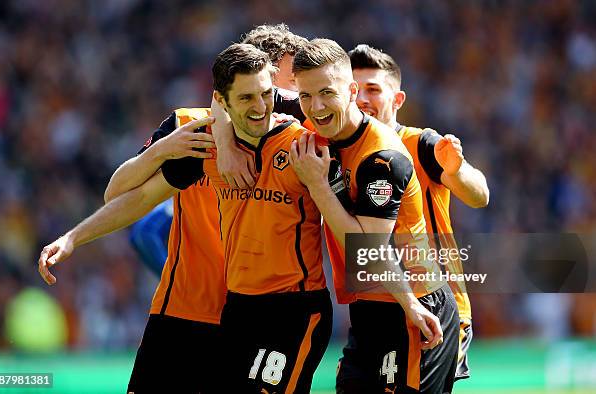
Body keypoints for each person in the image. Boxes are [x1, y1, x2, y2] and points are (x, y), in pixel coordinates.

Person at [38, 43, 332, 393]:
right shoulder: (194, 134)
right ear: (225, 96)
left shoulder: (307, 141)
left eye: (277, 92)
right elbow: (134, 202)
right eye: (289, 82)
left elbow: (363, 219)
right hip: (183, 310)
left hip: (262, 312)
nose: (284, 97)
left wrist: (397, 293)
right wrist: (73, 237)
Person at [290, 38, 458, 393]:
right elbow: (238, 96)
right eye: (305, 96)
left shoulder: (383, 157)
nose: (315, 107)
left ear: (351, 91)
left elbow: (365, 249)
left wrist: (317, 184)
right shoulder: (318, 121)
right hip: (369, 308)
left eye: (326, 94)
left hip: (412, 304)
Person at [348, 44, 489, 382]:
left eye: (373, 89)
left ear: (397, 100)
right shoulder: (343, 150)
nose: (362, 99)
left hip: (434, 302)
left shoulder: (419, 144)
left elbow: (480, 194)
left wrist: (455, 172)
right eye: (355, 90)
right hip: (375, 306)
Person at [124, 24, 307, 276]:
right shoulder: (202, 143)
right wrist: (184, 285)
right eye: (295, 80)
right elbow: (145, 229)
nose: (301, 91)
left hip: (335, 291)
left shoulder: (309, 138)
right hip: (246, 300)